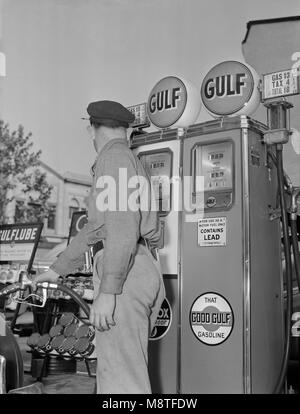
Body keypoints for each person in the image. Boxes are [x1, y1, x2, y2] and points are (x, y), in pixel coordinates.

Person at [34, 100, 165, 394]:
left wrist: (109, 291)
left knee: (122, 380)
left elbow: (120, 228)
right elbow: (97, 229)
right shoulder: (128, 159)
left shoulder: (113, 158)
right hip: (139, 265)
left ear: (92, 128)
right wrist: (57, 269)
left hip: (125, 275)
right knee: (122, 372)